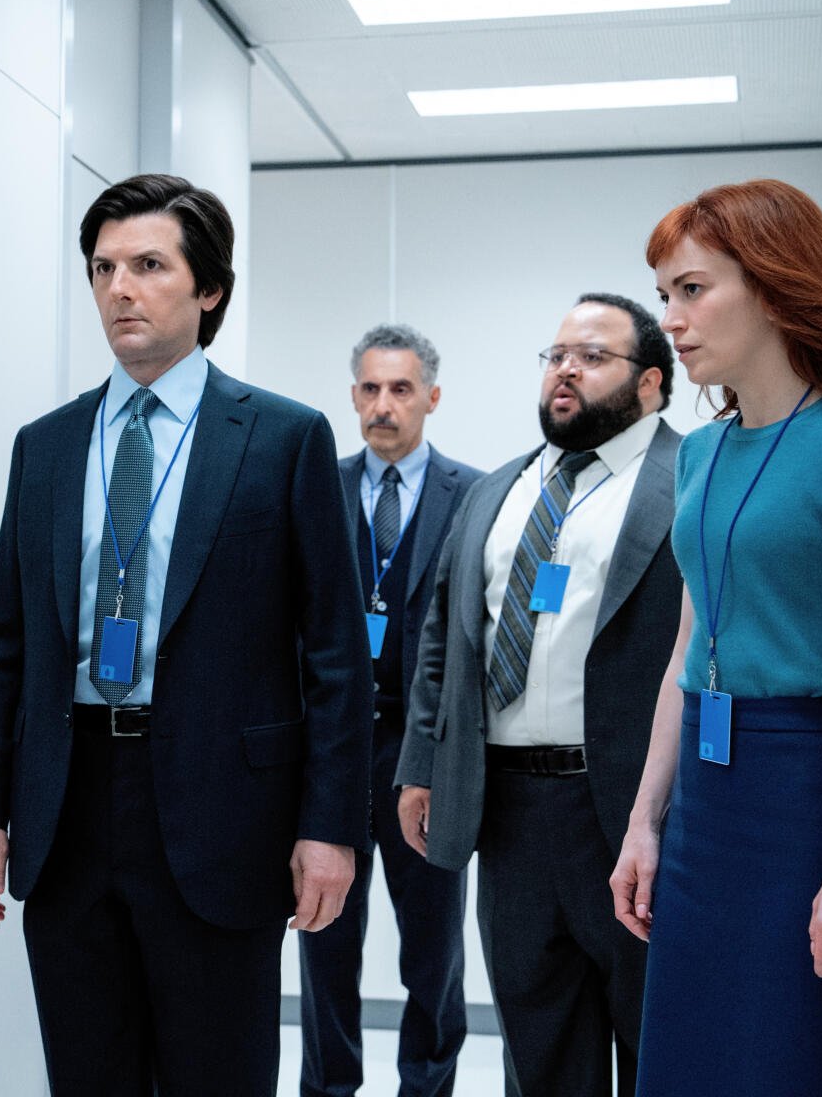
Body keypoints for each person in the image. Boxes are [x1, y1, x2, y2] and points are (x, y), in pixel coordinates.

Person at [0, 173, 372, 1095]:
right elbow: (5, 640)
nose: (119, 290)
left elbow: (336, 655)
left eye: (148, 266)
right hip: (68, 802)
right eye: (103, 269)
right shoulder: (48, 446)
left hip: (224, 812)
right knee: (88, 1073)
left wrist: (331, 826)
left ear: (209, 288)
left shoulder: (283, 438)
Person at [611, 179, 822, 1096]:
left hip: (812, 800)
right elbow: (686, 653)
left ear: (775, 283)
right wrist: (644, 822)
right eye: (664, 294)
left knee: (807, 1061)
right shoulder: (702, 454)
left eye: (691, 289)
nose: (669, 319)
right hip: (707, 809)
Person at [397, 294, 683, 1097]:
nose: (566, 369)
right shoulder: (496, 491)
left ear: (651, 384)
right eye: (556, 354)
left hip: (631, 815)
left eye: (592, 357)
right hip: (512, 814)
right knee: (539, 1046)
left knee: (656, 1039)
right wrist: (421, 763)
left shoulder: (690, 478)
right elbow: (441, 644)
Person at [299, 324, 480, 1097]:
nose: (383, 405)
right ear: (351, 397)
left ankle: (428, 1085)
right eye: (369, 389)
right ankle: (328, 1087)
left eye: (401, 389)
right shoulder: (314, 486)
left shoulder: (473, 494)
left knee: (433, 950)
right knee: (324, 941)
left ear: (432, 397)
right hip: (330, 754)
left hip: (426, 757)